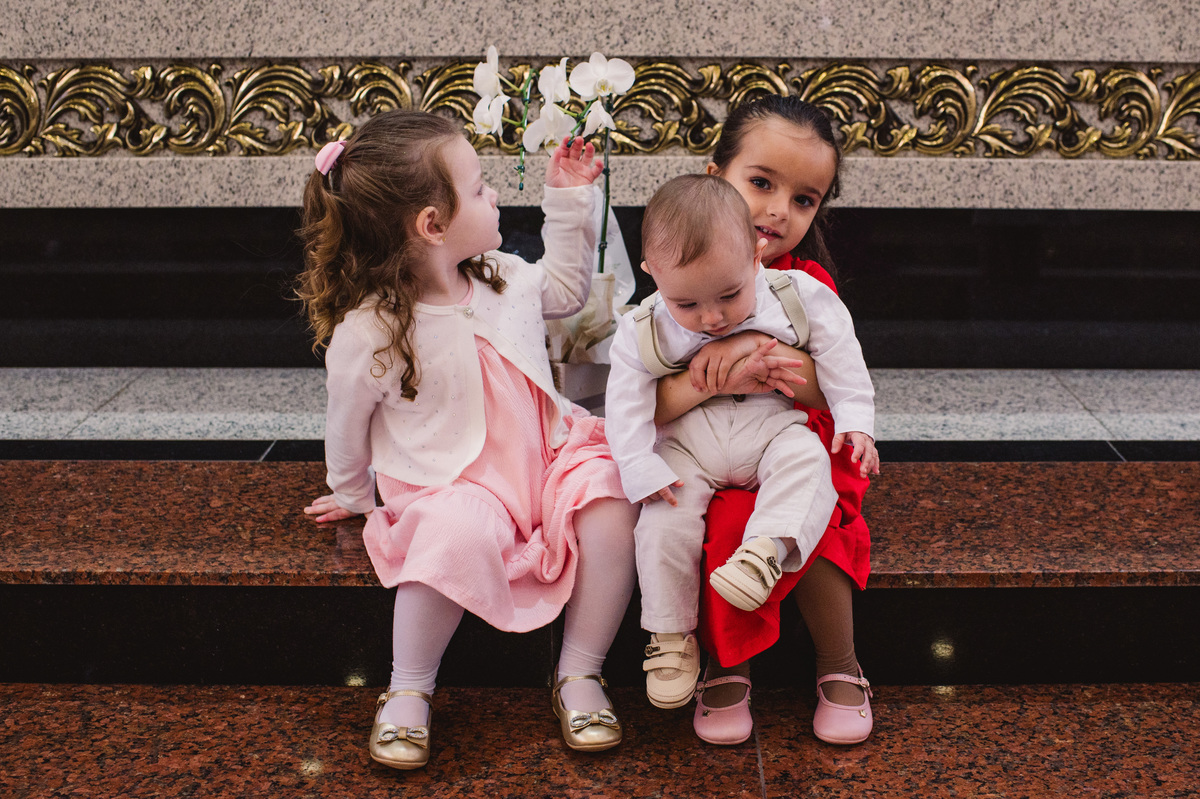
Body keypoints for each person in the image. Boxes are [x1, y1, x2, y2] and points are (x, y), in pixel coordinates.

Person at [297, 110, 638, 769]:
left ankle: (580, 671)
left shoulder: (500, 276)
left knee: (613, 496)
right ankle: (409, 686)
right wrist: (352, 493)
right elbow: (346, 424)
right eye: (480, 188)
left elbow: (567, 290)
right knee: (452, 533)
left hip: (546, 456)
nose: (494, 196)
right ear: (432, 225)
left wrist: (568, 198)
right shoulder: (370, 329)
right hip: (452, 481)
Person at [604, 172, 878, 736]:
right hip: (690, 441)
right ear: (652, 273)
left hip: (770, 428)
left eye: (730, 295)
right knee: (663, 519)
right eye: (688, 303)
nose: (712, 318)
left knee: (807, 463)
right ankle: (671, 636)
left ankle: (765, 553)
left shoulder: (797, 294)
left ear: (755, 251)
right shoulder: (641, 327)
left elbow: (841, 356)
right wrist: (639, 465)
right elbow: (626, 406)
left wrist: (857, 423)